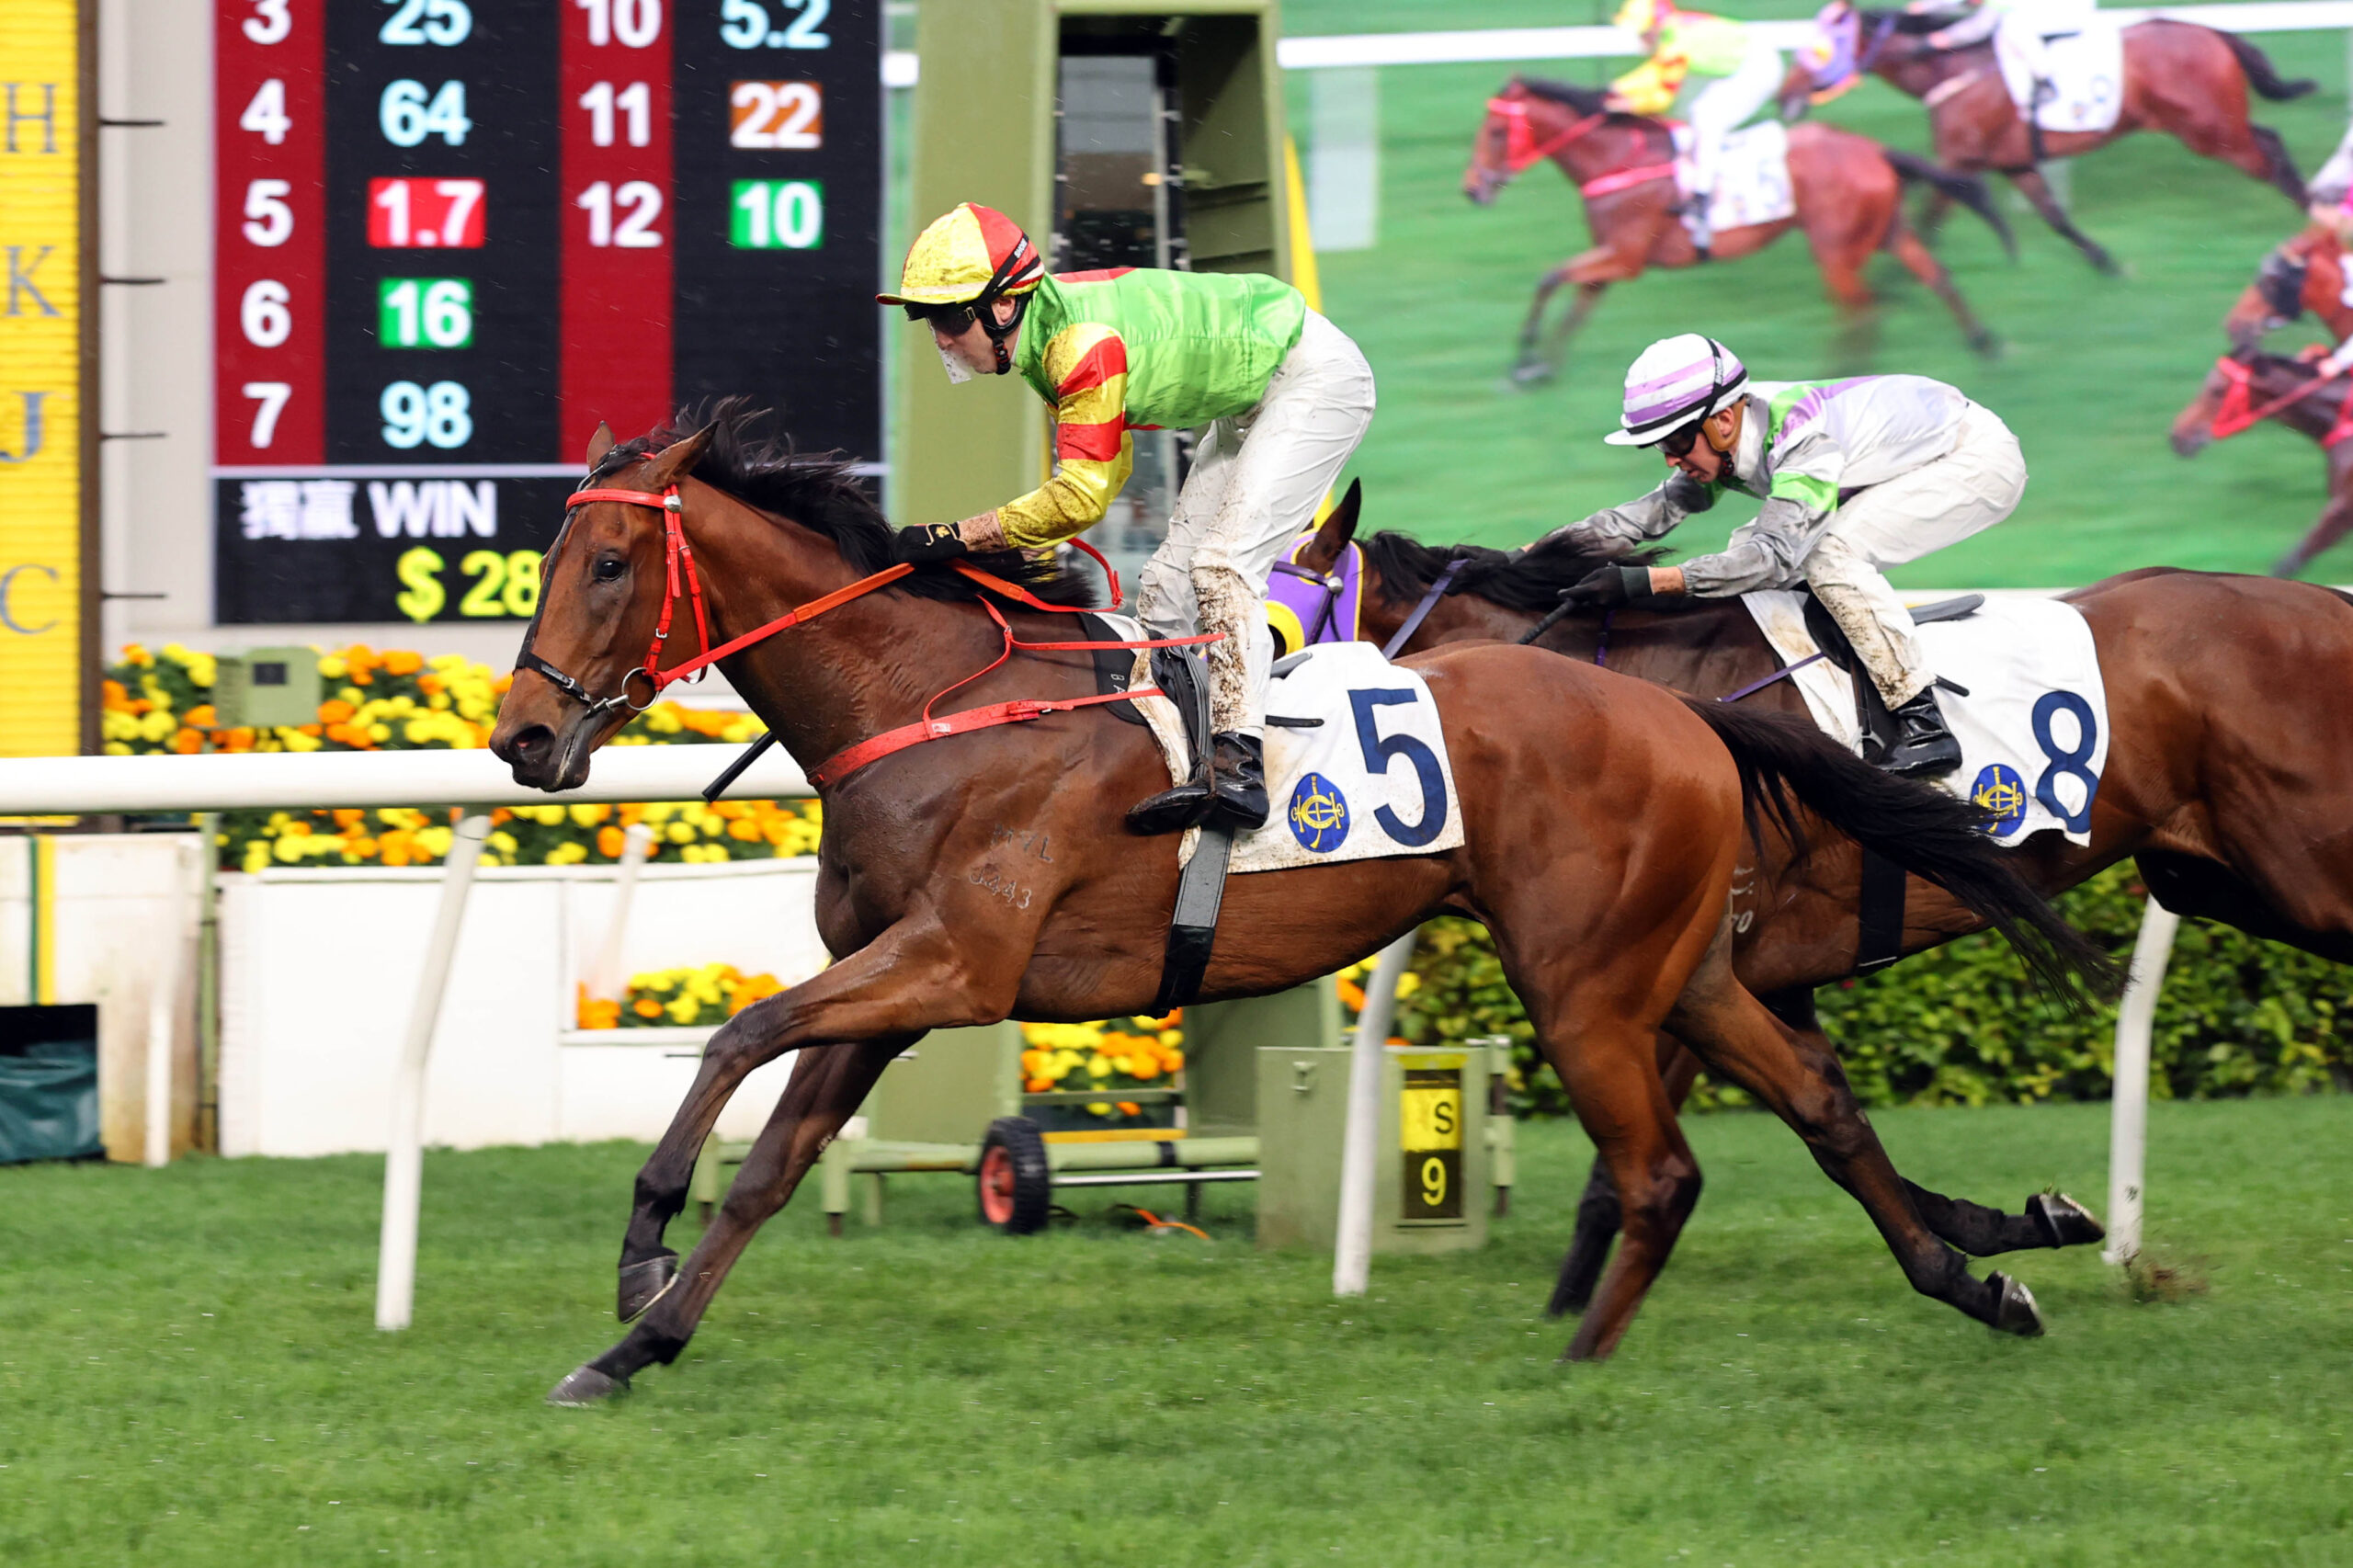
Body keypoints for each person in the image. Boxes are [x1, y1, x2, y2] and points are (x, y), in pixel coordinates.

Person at [877, 202, 1377, 835]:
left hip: (1315, 380)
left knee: (1222, 567)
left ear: (1002, 306)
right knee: (1167, 590)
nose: (941, 337)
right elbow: (1103, 476)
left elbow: (1082, 498)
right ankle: (1177, 761)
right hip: (1250, 397)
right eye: (930, 320)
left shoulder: (1077, 345)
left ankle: (1241, 771)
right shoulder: (1044, 345)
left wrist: (957, 536)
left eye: (949, 317)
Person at [1546, 335, 2028, 778]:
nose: (1670, 458)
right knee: (1743, 556)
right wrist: (1524, 559)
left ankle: (1921, 721)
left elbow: (1772, 557)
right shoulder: (1727, 437)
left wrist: (1646, 582)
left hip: (1974, 459)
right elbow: (1646, 516)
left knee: (1828, 555)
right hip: (1898, 453)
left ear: (1723, 421)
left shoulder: (1799, 438)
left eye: (1674, 441)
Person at [1605, 0, 1784, 254]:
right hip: (1739, 63)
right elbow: (1654, 72)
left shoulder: (1678, 41)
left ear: (1656, 26)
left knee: (1707, 117)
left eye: (1642, 32)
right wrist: (1618, 89)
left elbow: (1660, 97)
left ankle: (1702, 195)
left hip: (1757, 68)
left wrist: (1624, 104)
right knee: (1691, 112)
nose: (1639, 39)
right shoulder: (1672, 32)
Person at [1919, 0, 2097, 127]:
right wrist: (1926, 5)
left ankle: (2045, 81)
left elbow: (1981, 26)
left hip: (2070, 11)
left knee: (2013, 25)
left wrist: (1947, 37)